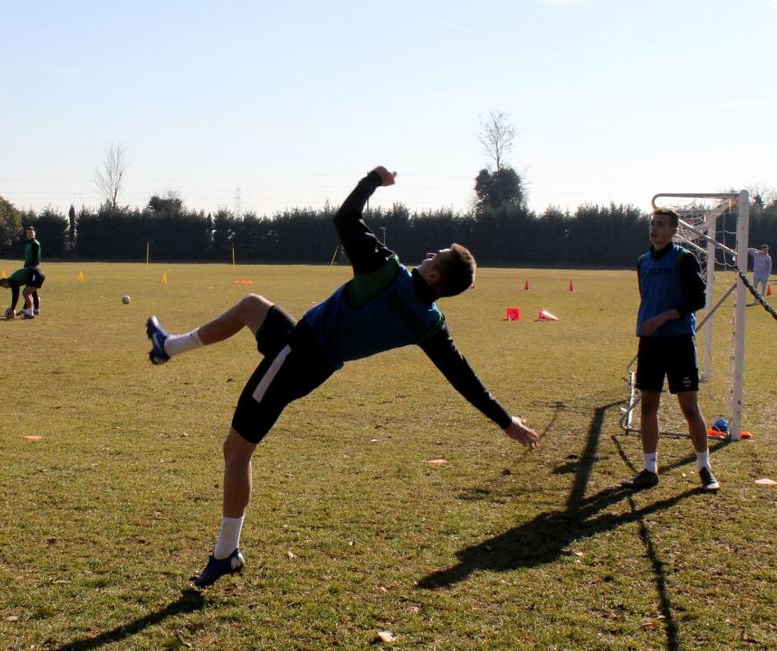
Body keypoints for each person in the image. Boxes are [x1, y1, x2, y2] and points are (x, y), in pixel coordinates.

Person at [145, 166, 540, 588]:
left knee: (236, 451)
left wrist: (373, 180)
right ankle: (169, 346)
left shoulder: (386, 272)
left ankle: (226, 553)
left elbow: (345, 218)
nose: (428, 254)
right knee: (251, 306)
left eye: (435, 256)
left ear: (435, 275)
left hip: (296, 356)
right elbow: (462, 376)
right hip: (312, 355)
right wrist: (505, 422)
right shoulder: (429, 322)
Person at [622, 207, 719, 494]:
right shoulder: (643, 261)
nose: (655, 229)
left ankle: (704, 467)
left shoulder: (684, 259)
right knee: (648, 405)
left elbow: (697, 300)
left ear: (674, 230)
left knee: (689, 408)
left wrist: (663, 318)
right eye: (652, 223)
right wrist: (648, 322)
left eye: (661, 224)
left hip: (678, 341)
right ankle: (649, 469)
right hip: (650, 342)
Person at [22, 225, 43, 316]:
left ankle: (32, 308)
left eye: (31, 233)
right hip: (27, 267)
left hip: (32, 268)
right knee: (31, 288)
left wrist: (32, 269)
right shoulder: (28, 243)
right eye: (28, 233)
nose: (29, 234)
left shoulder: (35, 243)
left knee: (30, 288)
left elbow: (35, 258)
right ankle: (32, 308)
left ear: (34, 233)